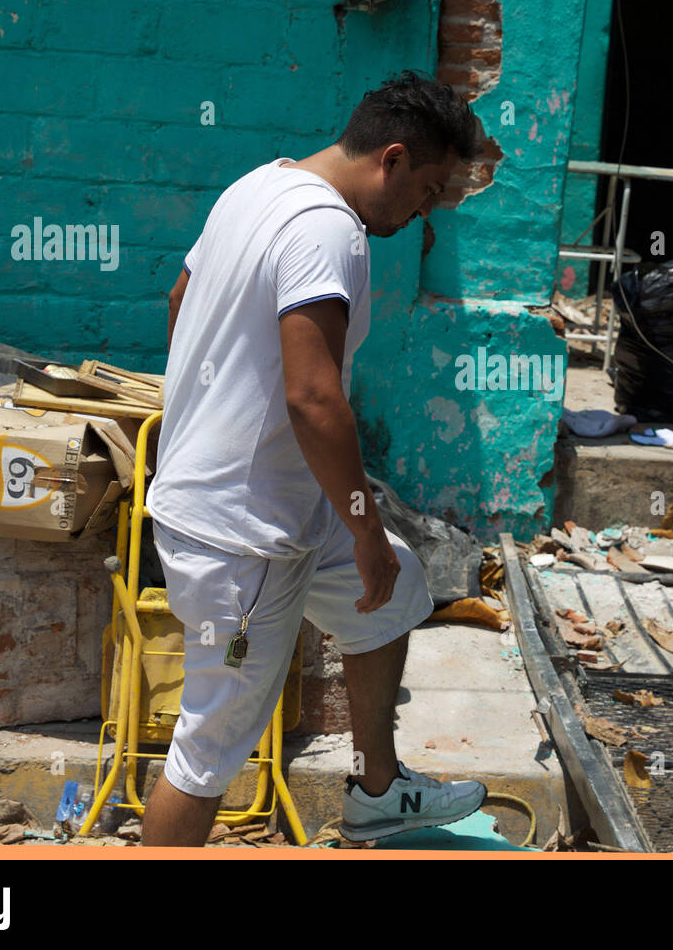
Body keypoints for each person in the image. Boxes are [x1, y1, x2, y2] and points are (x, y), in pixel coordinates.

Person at [141, 71, 485, 846]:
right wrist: (362, 527)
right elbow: (314, 398)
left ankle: (377, 790)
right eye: (429, 189)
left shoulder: (256, 187)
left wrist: (212, 411)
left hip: (279, 505)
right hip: (243, 538)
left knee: (392, 595)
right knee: (209, 751)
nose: (426, 211)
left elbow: (178, 300)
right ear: (391, 160)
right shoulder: (330, 231)